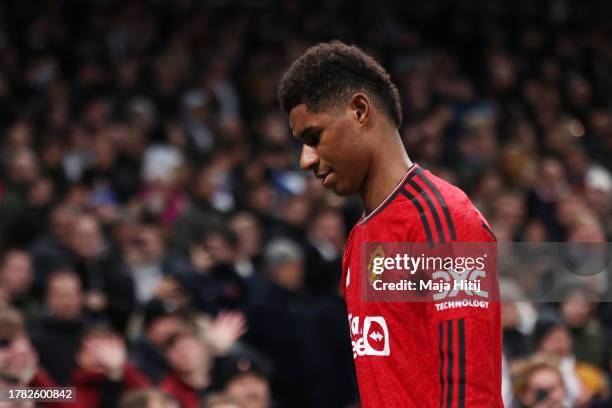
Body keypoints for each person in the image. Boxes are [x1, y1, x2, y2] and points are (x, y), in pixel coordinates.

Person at [278, 41, 502, 407]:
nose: (305, 159)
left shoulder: (443, 222)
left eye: (314, 137)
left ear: (360, 110)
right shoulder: (360, 236)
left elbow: (470, 393)